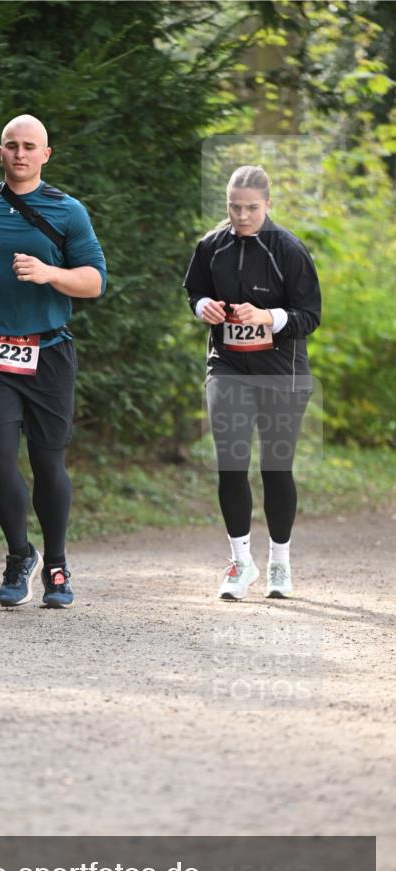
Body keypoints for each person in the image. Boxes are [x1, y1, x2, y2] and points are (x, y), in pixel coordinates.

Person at [0, 114, 107, 608]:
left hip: (49, 352)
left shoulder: (67, 211)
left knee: (47, 461)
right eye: (11, 145)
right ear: (0, 151)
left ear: (45, 155)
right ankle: (20, 556)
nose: (20, 154)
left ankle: (56, 567)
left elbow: (95, 282)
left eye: (30, 146)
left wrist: (49, 273)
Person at [183, 164, 321, 600]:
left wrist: (268, 318)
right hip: (227, 366)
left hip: (282, 371)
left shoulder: (289, 250)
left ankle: (279, 562)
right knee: (231, 462)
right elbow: (195, 291)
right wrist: (203, 305)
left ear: (268, 205)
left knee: (275, 467)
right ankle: (241, 563)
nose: (241, 216)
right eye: (234, 207)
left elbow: (310, 316)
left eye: (251, 208)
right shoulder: (211, 245)